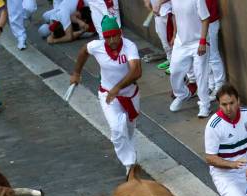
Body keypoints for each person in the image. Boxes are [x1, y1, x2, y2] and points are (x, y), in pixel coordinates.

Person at [71, 16, 142, 173]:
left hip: (130, 94)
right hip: (108, 96)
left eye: (114, 36)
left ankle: (130, 155)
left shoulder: (130, 47)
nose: (111, 40)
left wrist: (118, 87)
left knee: (129, 130)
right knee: (117, 130)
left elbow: (136, 71)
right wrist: (76, 72)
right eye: (107, 37)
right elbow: (83, 51)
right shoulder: (96, 46)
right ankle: (130, 165)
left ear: (120, 33)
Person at [169, 0, 211, 118]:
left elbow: (205, 19)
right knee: (174, 71)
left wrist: (203, 41)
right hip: (181, 42)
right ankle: (182, 94)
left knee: (200, 74)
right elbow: (175, 16)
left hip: (198, 41)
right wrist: (174, 34)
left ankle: (204, 105)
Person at [144, 0, 173, 71]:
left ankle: (176, 64)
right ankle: (170, 60)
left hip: (170, 11)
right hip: (157, 13)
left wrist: (159, 3)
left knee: (173, 40)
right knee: (164, 41)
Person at [205, 0, 225, 96]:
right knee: (205, 56)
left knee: (213, 55)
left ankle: (220, 86)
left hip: (210, 21)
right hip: (201, 23)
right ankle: (211, 84)